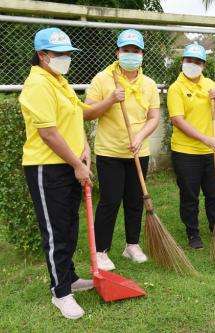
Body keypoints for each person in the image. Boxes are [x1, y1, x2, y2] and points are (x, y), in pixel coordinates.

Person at [20, 27, 96, 320]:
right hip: (47, 167)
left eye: (68, 54)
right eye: (59, 54)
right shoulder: (38, 84)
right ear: (42, 55)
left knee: (68, 226)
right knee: (55, 232)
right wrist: (77, 165)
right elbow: (49, 133)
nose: (65, 58)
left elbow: (76, 115)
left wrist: (84, 147)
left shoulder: (59, 80)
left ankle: (70, 277)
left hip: (69, 162)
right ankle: (60, 293)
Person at [84, 29, 160, 270]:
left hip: (139, 151)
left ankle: (132, 245)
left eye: (135, 51)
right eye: (125, 50)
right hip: (110, 152)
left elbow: (154, 117)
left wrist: (139, 137)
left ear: (142, 54)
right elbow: (86, 113)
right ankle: (101, 250)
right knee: (110, 200)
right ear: (117, 52)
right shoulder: (103, 79)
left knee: (135, 200)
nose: (130, 54)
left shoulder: (148, 84)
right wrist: (110, 100)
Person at [167, 44, 215, 249]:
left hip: (210, 151)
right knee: (190, 195)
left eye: (197, 62)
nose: (193, 65)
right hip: (186, 152)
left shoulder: (209, 83)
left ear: (203, 65)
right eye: (189, 60)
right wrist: (205, 139)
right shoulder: (176, 88)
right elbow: (178, 120)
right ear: (183, 62)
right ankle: (192, 233)